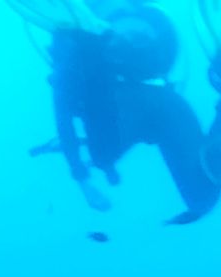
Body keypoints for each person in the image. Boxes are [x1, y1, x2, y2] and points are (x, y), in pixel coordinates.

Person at [43, 1, 221, 224]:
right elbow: (65, 108)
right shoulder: (75, 42)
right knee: (201, 200)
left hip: (149, 106)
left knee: (201, 201)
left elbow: (64, 111)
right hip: (155, 104)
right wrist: (82, 178)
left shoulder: (79, 40)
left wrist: (83, 177)